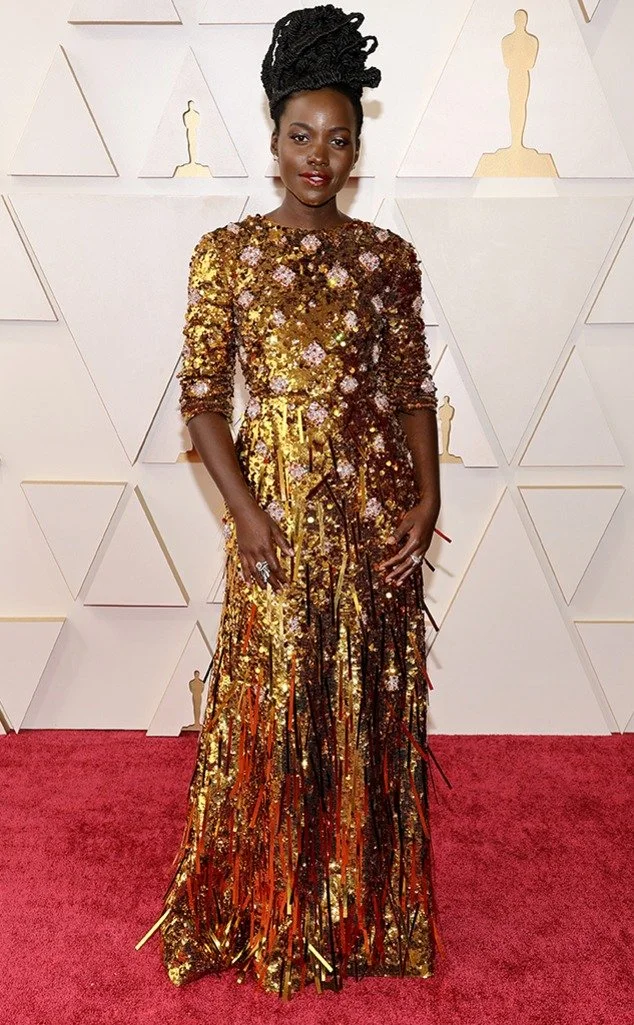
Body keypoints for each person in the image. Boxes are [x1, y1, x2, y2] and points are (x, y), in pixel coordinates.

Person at [150, 3, 448, 998]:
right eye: (301, 134)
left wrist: (426, 498)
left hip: (373, 518)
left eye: (339, 138)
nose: (320, 156)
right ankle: (269, 908)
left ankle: (362, 911)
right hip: (273, 514)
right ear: (274, 138)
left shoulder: (388, 258)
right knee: (274, 711)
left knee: (366, 708)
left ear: (358, 148)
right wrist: (247, 516)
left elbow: (410, 389)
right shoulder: (225, 253)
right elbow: (201, 403)